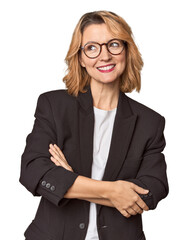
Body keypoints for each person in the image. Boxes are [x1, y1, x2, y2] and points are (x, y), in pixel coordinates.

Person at [20, 10, 169, 240]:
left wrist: (71, 180)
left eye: (114, 44)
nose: (104, 55)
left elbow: (153, 190)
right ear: (80, 57)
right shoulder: (53, 105)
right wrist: (113, 191)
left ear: (127, 51)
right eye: (92, 47)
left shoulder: (150, 122)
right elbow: (34, 172)